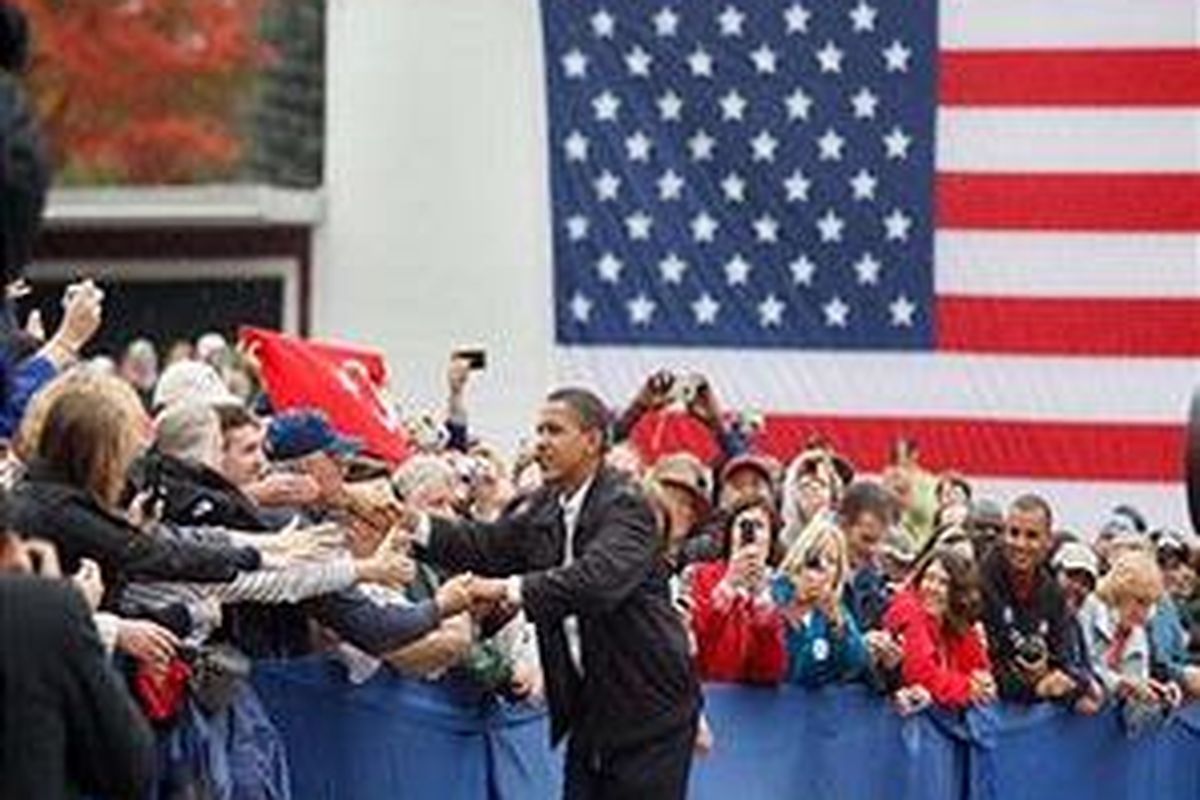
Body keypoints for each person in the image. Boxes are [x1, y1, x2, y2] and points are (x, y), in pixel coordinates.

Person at [405, 387, 701, 800]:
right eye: (539, 430)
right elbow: (486, 545)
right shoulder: (546, 506)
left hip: (650, 715)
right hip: (590, 715)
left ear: (592, 441)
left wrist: (506, 588)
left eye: (554, 430)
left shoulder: (628, 506)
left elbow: (596, 582)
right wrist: (411, 523)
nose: (541, 442)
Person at [978, 494, 1086, 705]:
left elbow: (1067, 663)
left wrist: (1055, 678)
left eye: (1032, 536)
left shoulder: (1053, 592)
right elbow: (981, 667)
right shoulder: (980, 583)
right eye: (1014, 533)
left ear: (1048, 541)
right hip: (988, 711)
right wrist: (1035, 686)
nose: (1021, 544)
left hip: (1035, 712)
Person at [1077, 551, 1182, 732]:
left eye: (1149, 604)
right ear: (1119, 592)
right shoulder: (1089, 610)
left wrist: (1162, 701)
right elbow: (1078, 667)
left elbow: (1133, 720)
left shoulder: (1138, 634)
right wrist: (1121, 684)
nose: (1143, 613)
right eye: (1139, 601)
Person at [688, 495, 785, 684]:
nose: (750, 532)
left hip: (759, 696)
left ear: (771, 538)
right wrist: (728, 586)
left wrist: (761, 601)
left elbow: (773, 669)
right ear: (730, 534)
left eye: (759, 526)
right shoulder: (700, 575)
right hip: (708, 690)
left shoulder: (782, 585)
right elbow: (698, 645)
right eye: (743, 524)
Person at [883, 548, 994, 711]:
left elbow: (978, 668)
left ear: (958, 592)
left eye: (943, 583)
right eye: (929, 578)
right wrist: (968, 688)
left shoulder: (953, 619)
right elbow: (921, 674)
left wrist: (984, 684)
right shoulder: (907, 609)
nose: (932, 588)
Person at [771, 518, 870, 687]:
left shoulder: (836, 611)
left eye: (831, 561)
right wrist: (793, 606)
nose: (822, 567)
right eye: (815, 558)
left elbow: (856, 663)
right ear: (800, 559)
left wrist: (837, 626)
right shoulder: (774, 593)